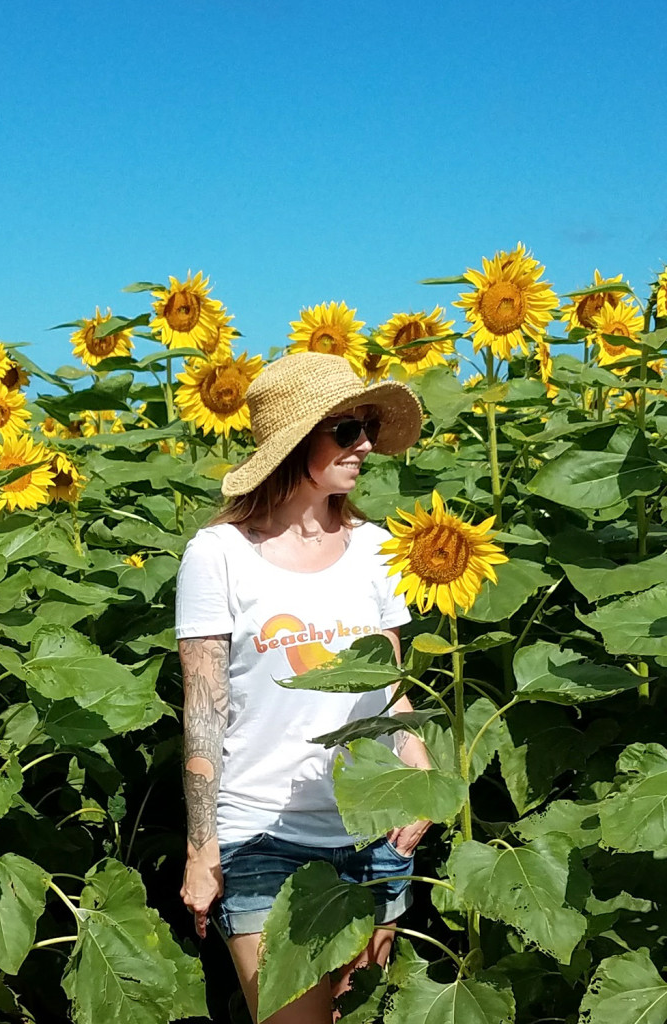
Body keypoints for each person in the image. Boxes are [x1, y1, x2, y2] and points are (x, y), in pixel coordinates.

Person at [176, 351, 433, 1023]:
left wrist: (418, 767)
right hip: (261, 836)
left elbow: (390, 689)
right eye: (346, 430)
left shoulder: (379, 549)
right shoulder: (220, 554)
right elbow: (204, 709)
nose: (367, 444)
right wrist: (202, 851)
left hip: (371, 833)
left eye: (367, 427)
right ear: (296, 442)